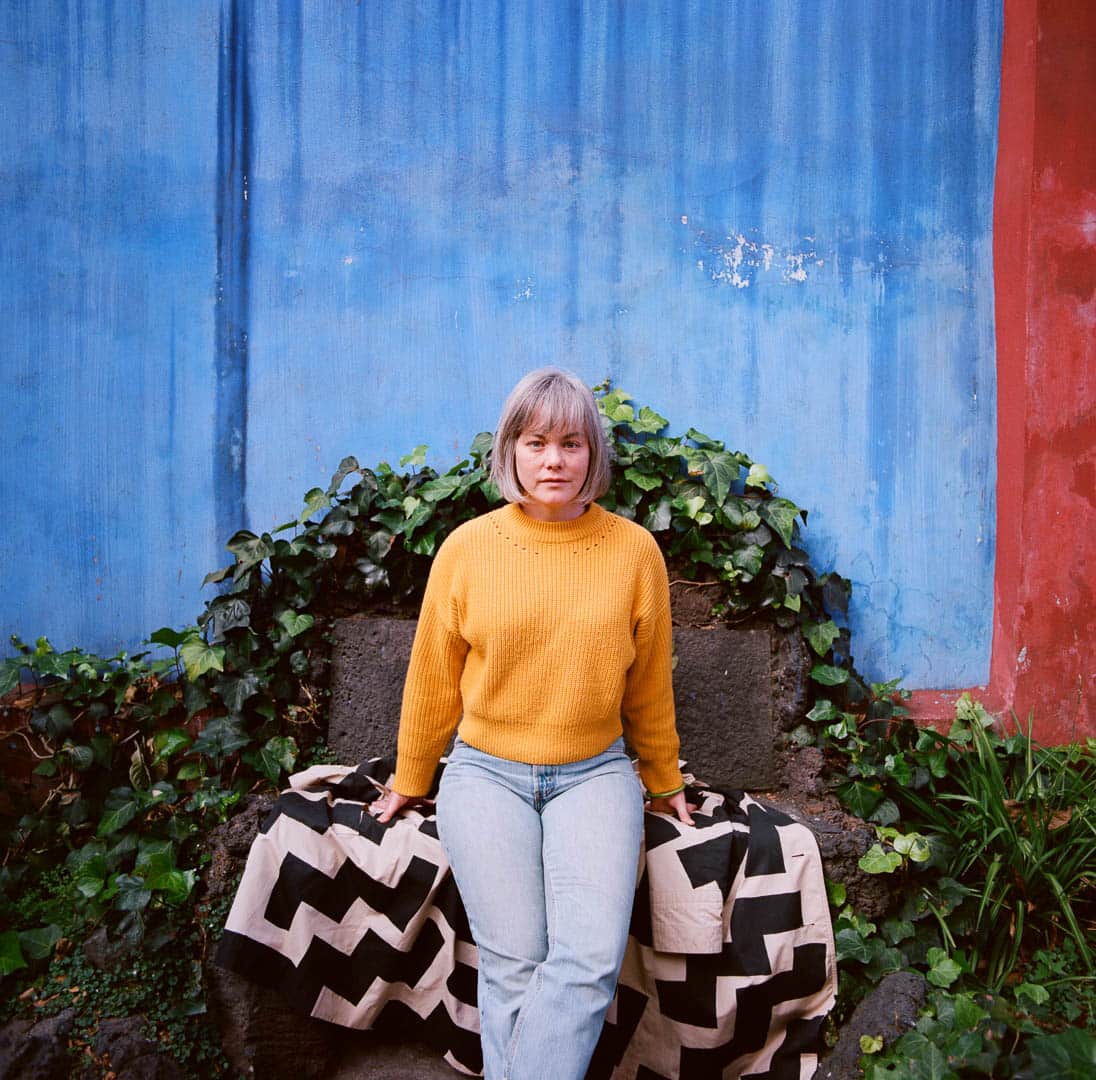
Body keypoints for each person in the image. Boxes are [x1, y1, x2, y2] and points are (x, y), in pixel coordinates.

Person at [373, 367, 694, 1080]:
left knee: (584, 961)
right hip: (487, 772)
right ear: (510, 450)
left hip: (597, 774)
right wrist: (410, 777)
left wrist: (665, 779)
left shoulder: (634, 551)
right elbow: (433, 678)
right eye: (536, 441)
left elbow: (648, 684)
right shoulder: (467, 549)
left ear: (593, 456)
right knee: (514, 962)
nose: (554, 460)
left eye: (572, 443)